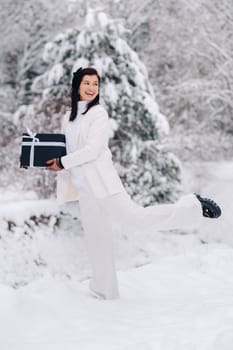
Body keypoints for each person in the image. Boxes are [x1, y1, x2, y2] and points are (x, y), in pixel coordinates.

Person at [46, 67, 222, 300]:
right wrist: (43, 158)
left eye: (95, 84)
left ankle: (194, 206)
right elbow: (65, 149)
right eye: (86, 83)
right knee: (97, 239)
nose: (91, 88)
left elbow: (93, 150)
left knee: (136, 219)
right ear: (76, 85)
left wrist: (62, 161)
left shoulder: (98, 114)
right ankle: (104, 291)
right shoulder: (68, 119)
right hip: (85, 189)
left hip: (105, 185)